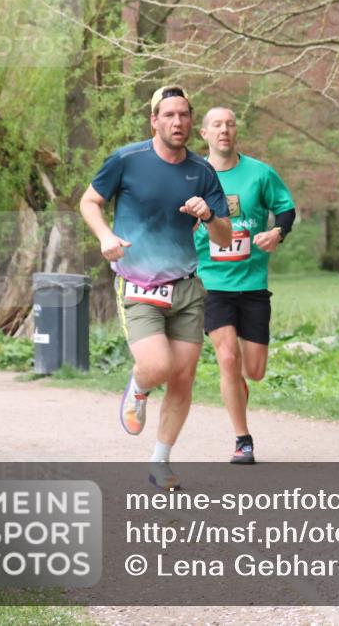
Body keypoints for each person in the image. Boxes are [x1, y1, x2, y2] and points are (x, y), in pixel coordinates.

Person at [79, 86, 231, 490]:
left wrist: (208, 214)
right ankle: (139, 385)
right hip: (139, 283)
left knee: (182, 377)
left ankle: (160, 461)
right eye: (168, 115)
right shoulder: (127, 160)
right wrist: (104, 237)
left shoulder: (202, 171)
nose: (177, 122)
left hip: (185, 287)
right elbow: (89, 202)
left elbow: (224, 236)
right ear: (154, 120)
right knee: (157, 367)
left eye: (183, 115)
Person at [196, 107, 296, 464]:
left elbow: (286, 208)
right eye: (216, 125)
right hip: (212, 283)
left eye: (230, 124)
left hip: (253, 283)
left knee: (253, 371)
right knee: (227, 357)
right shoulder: (192, 175)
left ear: (236, 131)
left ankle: (234, 385)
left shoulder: (260, 173)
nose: (224, 130)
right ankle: (243, 440)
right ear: (204, 133)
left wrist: (277, 232)